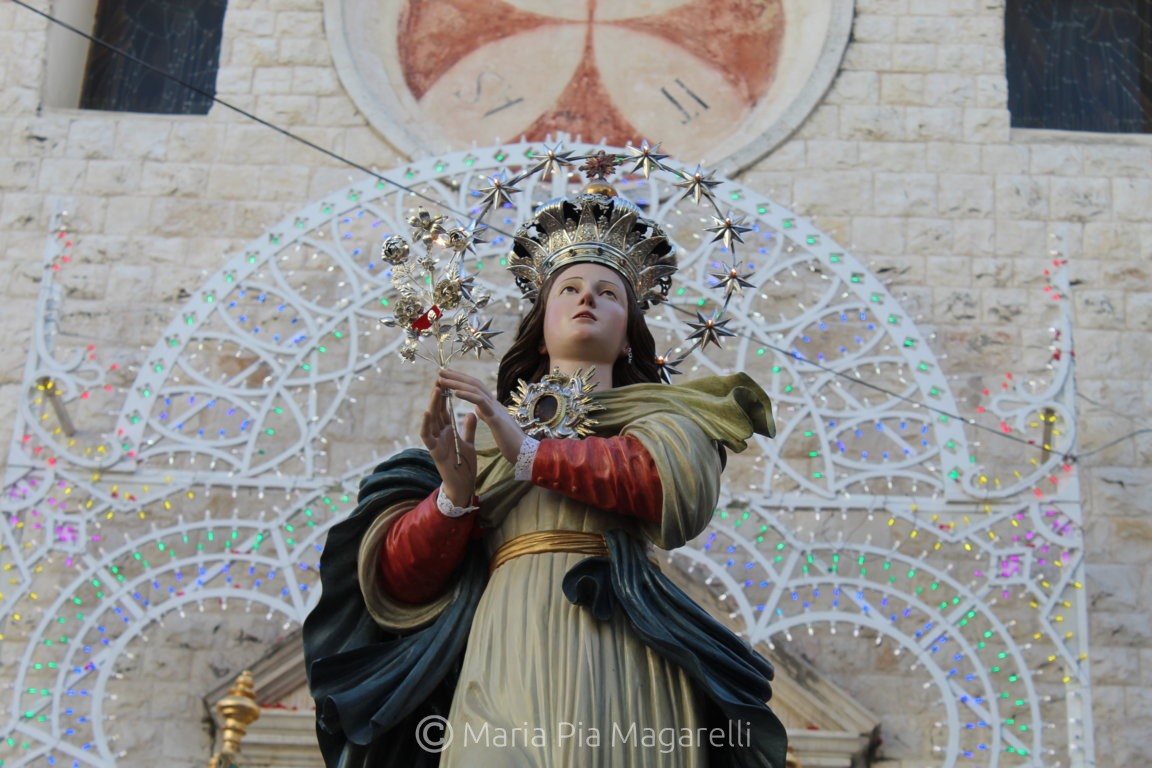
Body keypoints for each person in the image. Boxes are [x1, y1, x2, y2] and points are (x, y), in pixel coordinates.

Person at [304, 185, 788, 768]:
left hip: (616, 629)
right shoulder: (480, 438)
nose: (588, 299)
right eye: (570, 289)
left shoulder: (669, 419)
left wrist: (530, 451)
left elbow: (669, 489)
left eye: (608, 293)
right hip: (503, 631)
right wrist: (454, 499)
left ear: (629, 324)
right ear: (541, 320)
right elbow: (401, 585)